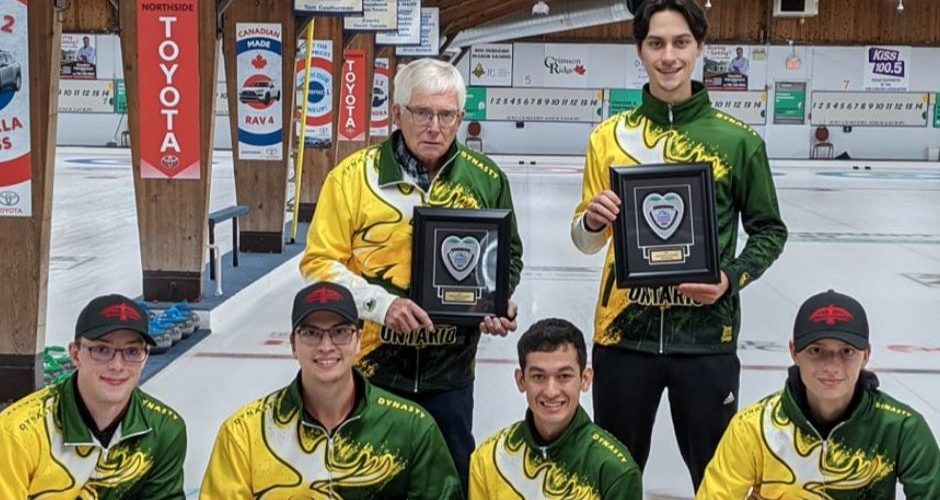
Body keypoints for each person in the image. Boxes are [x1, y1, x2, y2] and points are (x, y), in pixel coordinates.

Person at [570, 0, 787, 490]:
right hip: (624, 339)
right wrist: (591, 220)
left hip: (707, 340)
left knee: (717, 478)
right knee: (611, 476)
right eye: (656, 44)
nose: (669, 56)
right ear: (640, 51)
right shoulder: (609, 138)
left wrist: (730, 278)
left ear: (700, 48)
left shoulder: (737, 142)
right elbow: (584, 240)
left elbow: (770, 230)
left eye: (680, 43)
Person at [299, 57, 524, 490]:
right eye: (422, 112)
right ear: (397, 113)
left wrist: (495, 300)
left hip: (451, 373)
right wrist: (381, 306)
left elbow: (507, 256)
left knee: (446, 483)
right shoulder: (351, 178)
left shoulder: (486, 179)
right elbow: (319, 262)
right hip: (368, 372)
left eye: (446, 115)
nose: (434, 126)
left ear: (460, 117)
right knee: (363, 484)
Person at [201, 282, 463, 499]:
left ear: (359, 340)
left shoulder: (412, 428)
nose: (326, 346)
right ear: (293, 344)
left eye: (340, 332)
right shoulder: (244, 433)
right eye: (311, 333)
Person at [697, 289, 940, 498]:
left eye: (846, 351)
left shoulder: (902, 429)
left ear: (866, 355)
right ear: (794, 351)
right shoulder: (752, 428)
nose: (832, 366)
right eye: (816, 350)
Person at [0, 294, 186, 498]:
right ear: (75, 354)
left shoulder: (163, 430)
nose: (117, 366)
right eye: (102, 349)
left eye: (132, 351)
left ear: (145, 357)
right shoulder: (16, 434)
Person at [469, 318, 643, 499]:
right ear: (521, 381)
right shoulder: (489, 458)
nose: (551, 391)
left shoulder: (614, 470)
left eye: (564, 376)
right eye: (538, 376)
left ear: (585, 379)